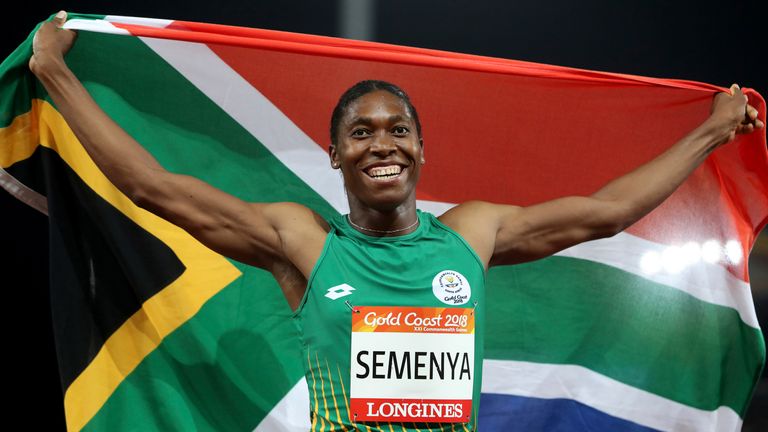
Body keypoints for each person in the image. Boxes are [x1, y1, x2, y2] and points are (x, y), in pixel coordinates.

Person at [29, 10, 763, 431]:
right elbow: (157, 187)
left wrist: (710, 131)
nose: (382, 143)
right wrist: (56, 73)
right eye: (361, 133)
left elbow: (606, 213)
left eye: (397, 130)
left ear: (420, 148)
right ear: (336, 156)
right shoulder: (303, 240)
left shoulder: (471, 233)